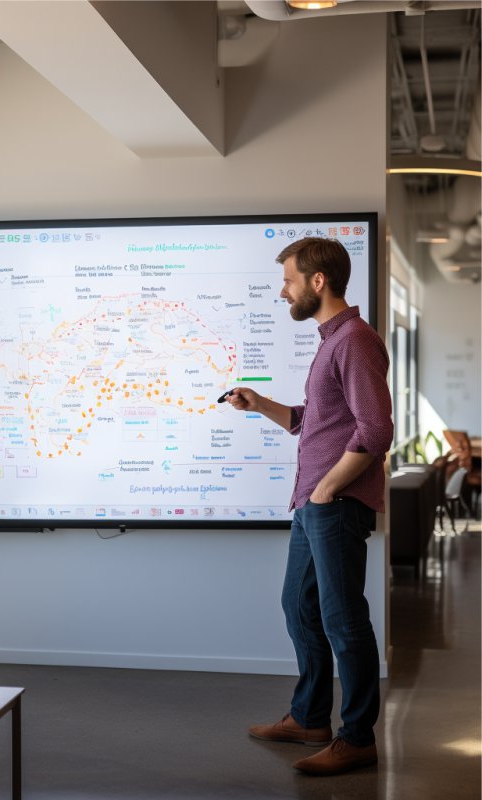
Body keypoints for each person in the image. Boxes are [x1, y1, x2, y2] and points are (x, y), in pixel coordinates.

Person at [226, 237, 393, 776]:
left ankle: (358, 738)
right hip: (315, 503)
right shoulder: (332, 340)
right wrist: (260, 405)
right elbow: (315, 423)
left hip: (334, 502)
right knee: (299, 608)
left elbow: (376, 431)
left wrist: (327, 490)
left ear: (317, 282)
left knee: (344, 620)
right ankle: (309, 718)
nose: (283, 292)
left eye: (289, 281)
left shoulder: (354, 341)